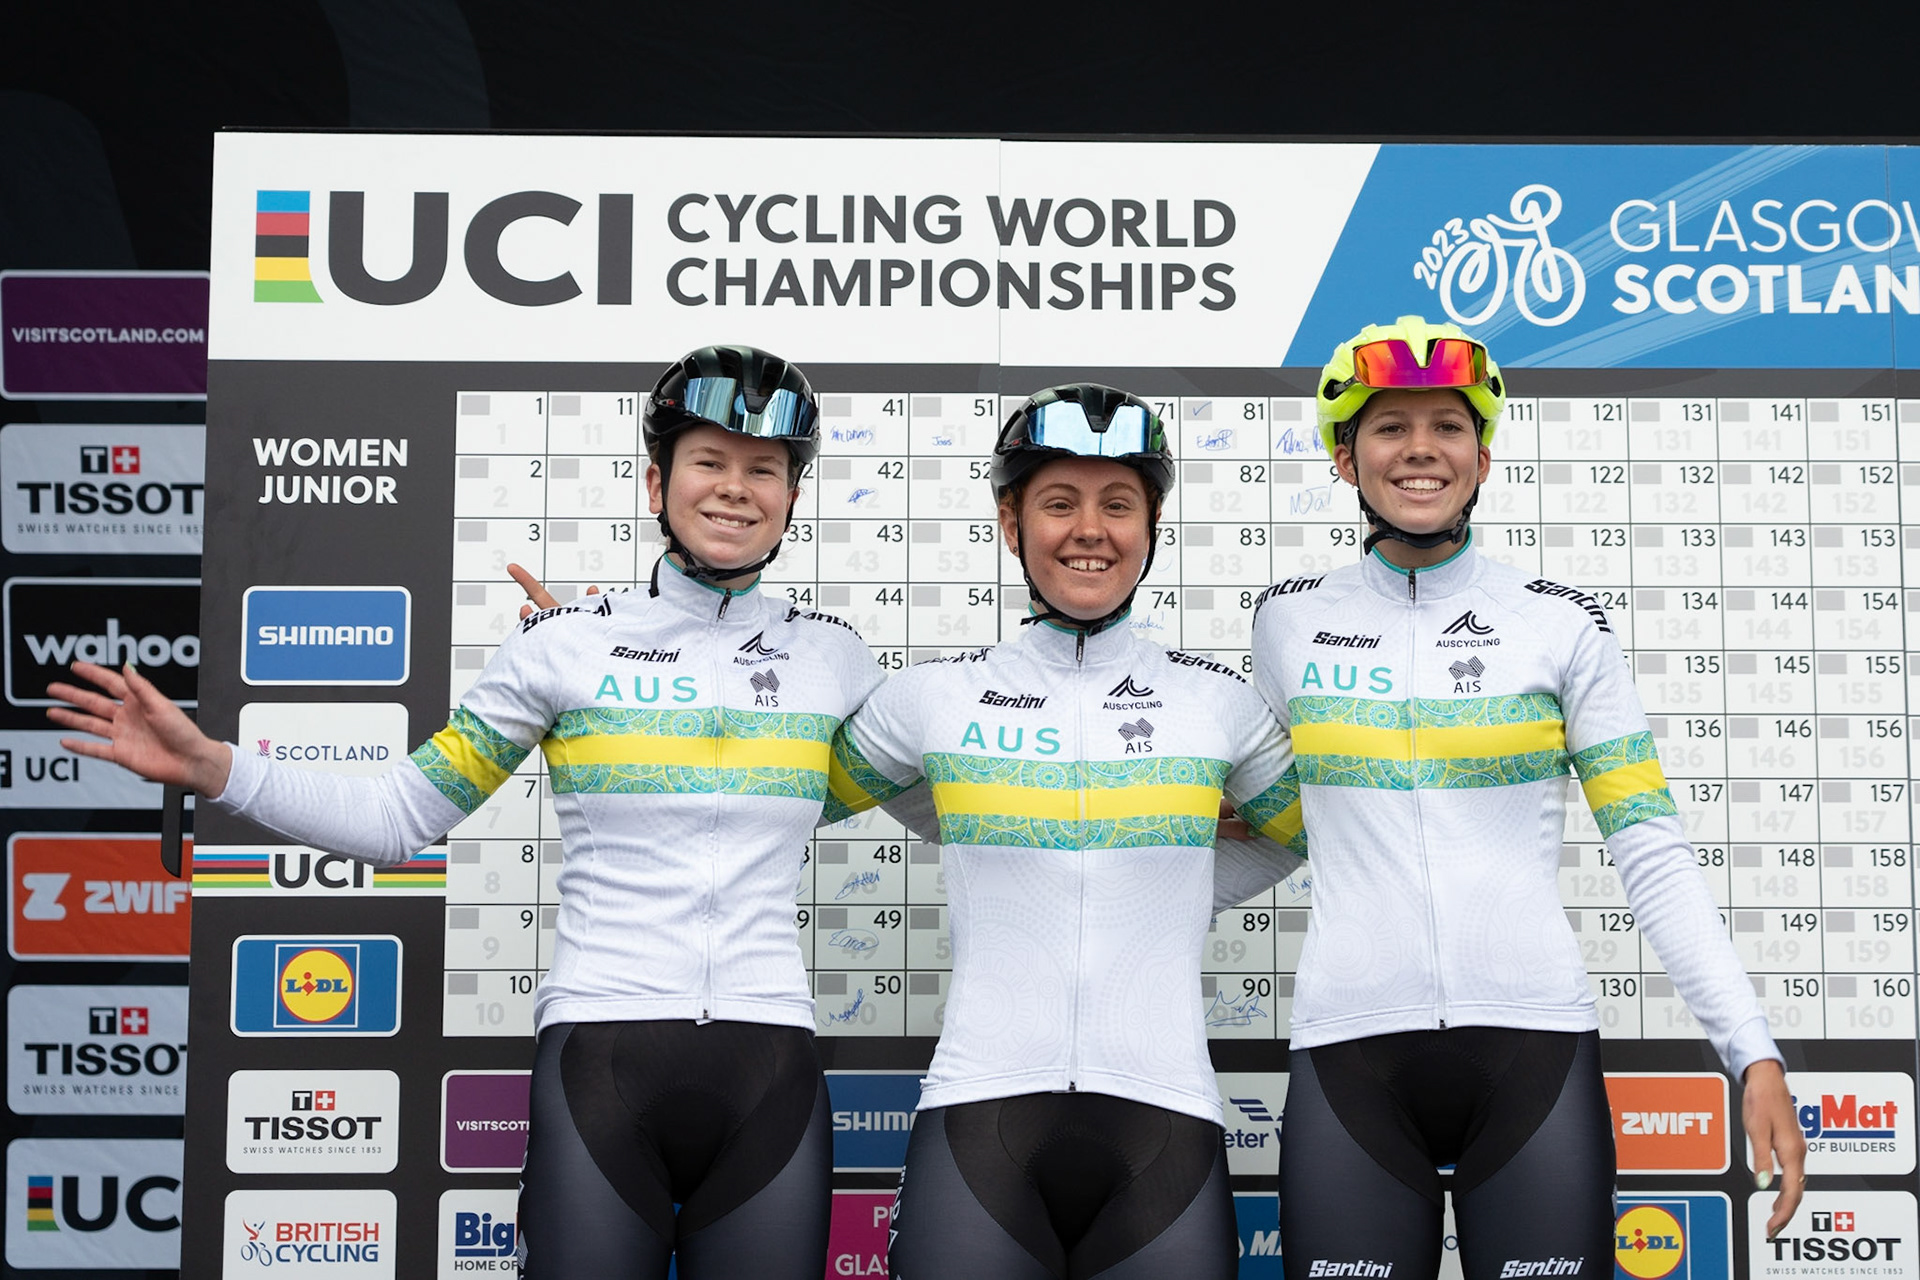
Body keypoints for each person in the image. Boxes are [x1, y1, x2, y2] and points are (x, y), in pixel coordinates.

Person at [46, 344, 884, 1279]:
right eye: (709, 462)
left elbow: (913, 797)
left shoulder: (837, 660)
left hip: (772, 1061)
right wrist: (216, 767)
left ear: (793, 496)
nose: (736, 489)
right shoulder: (563, 648)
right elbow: (398, 816)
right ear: (658, 480)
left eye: (764, 468)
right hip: (602, 1063)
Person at [1247, 316, 1805, 1280]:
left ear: (1484, 455)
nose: (1420, 449)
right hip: (1349, 1052)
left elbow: (1650, 849)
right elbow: (1281, 829)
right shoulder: (1287, 624)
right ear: (1346, 459)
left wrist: (1751, 1050)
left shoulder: (1560, 623)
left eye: (1447, 427)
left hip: (1534, 1052)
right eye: (1389, 427)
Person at [823, 383, 1307, 1280]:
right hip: (980, 1116)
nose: (1091, 528)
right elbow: (766, 798)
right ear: (1011, 521)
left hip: (1165, 1122)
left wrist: (1176, 888)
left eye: (1118, 503)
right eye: (1059, 502)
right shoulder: (933, 698)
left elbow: (1324, 835)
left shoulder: (1220, 704)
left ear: (1152, 525)